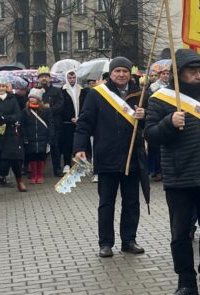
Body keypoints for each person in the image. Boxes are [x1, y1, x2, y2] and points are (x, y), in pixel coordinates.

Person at [145, 49, 200, 295]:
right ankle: (185, 282)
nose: (197, 75)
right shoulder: (161, 99)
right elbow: (150, 134)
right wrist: (168, 123)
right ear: (178, 73)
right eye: (191, 71)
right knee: (180, 233)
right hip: (179, 176)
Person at [73, 57, 147, 257]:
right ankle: (105, 243)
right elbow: (84, 123)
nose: (121, 74)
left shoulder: (141, 94)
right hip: (107, 157)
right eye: (117, 71)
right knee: (107, 203)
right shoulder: (97, 95)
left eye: (125, 71)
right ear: (111, 74)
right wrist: (80, 148)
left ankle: (129, 240)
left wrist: (144, 117)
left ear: (130, 73)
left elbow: (151, 125)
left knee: (131, 202)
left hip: (132, 158)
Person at [0, 77, 24, 194]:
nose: (0, 88)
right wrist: (1, 116)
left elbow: (18, 114)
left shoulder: (12, 99)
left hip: (10, 133)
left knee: (14, 158)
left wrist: (7, 118)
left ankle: (19, 181)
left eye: (3, 86)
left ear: (6, 87)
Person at [21, 88, 54, 185]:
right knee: (32, 157)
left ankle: (40, 175)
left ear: (39, 99)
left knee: (41, 156)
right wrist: (24, 137)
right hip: (30, 138)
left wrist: (50, 136)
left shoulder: (46, 111)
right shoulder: (25, 111)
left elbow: (51, 124)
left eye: (34, 98)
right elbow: (23, 125)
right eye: (30, 97)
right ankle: (34, 175)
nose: (32, 99)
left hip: (43, 138)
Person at [37, 66, 64, 177]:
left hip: (55, 123)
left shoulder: (56, 91)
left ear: (50, 79)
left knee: (55, 147)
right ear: (38, 79)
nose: (44, 79)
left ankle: (57, 169)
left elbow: (61, 105)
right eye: (42, 77)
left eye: (46, 77)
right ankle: (38, 171)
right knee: (40, 148)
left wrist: (49, 109)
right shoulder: (35, 91)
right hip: (40, 123)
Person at [61, 70, 88, 174]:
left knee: (81, 143)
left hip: (80, 121)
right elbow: (63, 107)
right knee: (68, 144)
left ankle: (80, 164)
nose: (72, 80)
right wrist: (71, 117)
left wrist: (80, 117)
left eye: (73, 78)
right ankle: (67, 164)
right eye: (69, 78)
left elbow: (85, 105)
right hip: (68, 122)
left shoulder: (82, 90)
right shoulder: (62, 90)